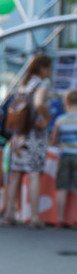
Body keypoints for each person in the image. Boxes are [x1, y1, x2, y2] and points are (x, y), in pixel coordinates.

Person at [0, 54, 53, 228]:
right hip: (35, 135)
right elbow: (39, 104)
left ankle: (9, 214)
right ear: (43, 68)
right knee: (34, 174)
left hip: (19, 134)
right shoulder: (42, 85)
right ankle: (35, 217)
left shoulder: (23, 85)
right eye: (49, 68)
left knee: (15, 174)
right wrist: (46, 118)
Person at [49, 88, 77, 228]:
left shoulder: (61, 120)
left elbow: (54, 140)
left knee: (62, 188)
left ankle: (60, 218)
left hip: (65, 155)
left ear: (66, 102)